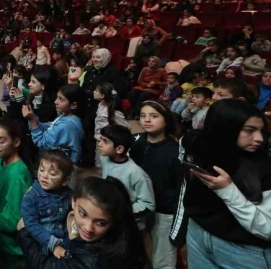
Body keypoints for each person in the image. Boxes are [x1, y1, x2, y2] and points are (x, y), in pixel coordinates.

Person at [171, 100, 271, 268]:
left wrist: (227, 190)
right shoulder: (196, 143)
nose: (259, 139)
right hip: (198, 233)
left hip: (244, 250)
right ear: (225, 128)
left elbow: (267, 229)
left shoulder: (264, 168)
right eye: (249, 131)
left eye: (261, 131)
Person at [17, 176, 150, 269]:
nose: (88, 228)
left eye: (101, 223)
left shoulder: (93, 260)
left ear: (113, 221)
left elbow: (47, 266)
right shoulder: (123, 232)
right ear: (73, 201)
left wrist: (24, 233)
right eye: (83, 214)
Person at [129, 101, 182, 269]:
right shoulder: (137, 143)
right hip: (138, 207)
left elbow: (179, 187)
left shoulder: (175, 151)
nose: (147, 120)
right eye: (143, 116)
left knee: (163, 258)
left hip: (163, 211)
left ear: (166, 120)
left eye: (154, 116)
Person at [0, 117, 35, 268]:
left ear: (16, 142)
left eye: (1, 140)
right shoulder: (0, 160)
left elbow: (13, 220)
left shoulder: (18, 175)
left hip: (12, 249)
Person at [98, 125, 155, 231]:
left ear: (119, 149)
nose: (99, 144)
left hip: (129, 226)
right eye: (100, 139)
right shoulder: (104, 158)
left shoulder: (136, 173)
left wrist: (121, 211)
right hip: (110, 219)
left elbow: (148, 205)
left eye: (105, 141)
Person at [20, 149, 74, 257]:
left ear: (65, 181)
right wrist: (53, 245)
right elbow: (31, 224)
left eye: (52, 173)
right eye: (41, 169)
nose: (44, 176)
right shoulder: (32, 196)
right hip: (43, 245)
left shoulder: (69, 194)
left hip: (66, 241)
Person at [23, 84, 85, 164]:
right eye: (57, 97)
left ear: (73, 105)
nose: (55, 102)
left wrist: (32, 120)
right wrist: (33, 118)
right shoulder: (66, 117)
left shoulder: (66, 126)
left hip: (60, 168)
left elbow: (42, 143)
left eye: (61, 99)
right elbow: (48, 127)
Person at [92, 82, 129, 174]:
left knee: (106, 163)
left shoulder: (112, 111)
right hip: (99, 139)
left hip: (108, 142)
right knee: (99, 162)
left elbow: (126, 127)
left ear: (102, 95)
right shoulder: (100, 104)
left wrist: (114, 135)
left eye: (96, 90)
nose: (94, 92)